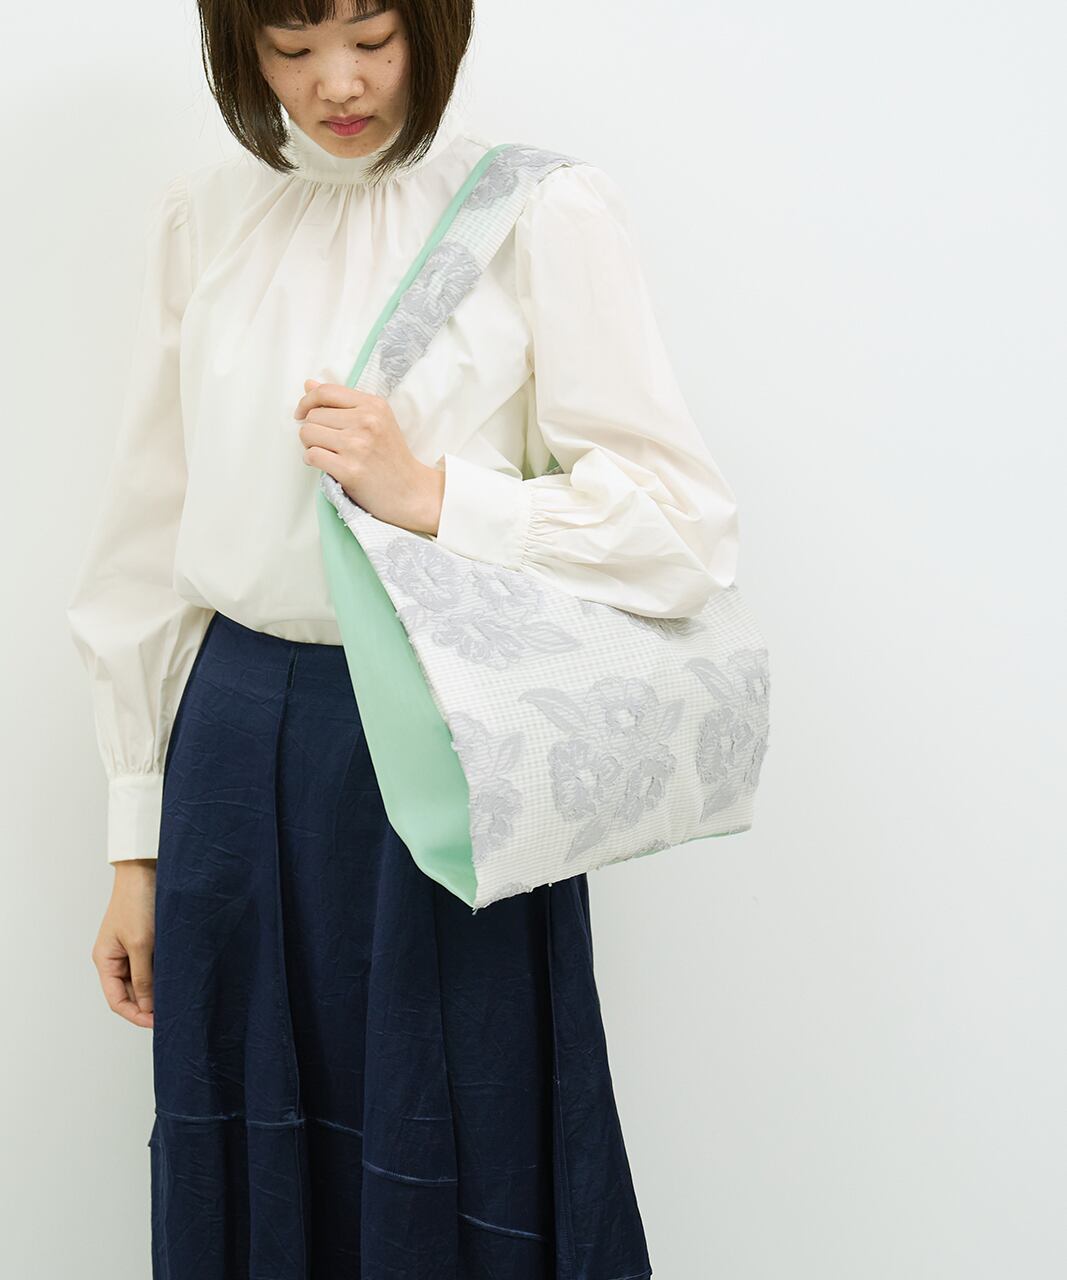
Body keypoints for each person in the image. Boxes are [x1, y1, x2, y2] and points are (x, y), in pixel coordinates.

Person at [66, 1, 740, 1275]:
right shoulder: (208, 216)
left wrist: (434, 494)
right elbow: (148, 539)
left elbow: (681, 531)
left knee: (458, 1145)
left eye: (372, 38)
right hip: (230, 748)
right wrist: (134, 842)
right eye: (289, 48)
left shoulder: (535, 212)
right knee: (246, 1154)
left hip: (440, 746)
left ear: (434, 22)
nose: (337, 83)